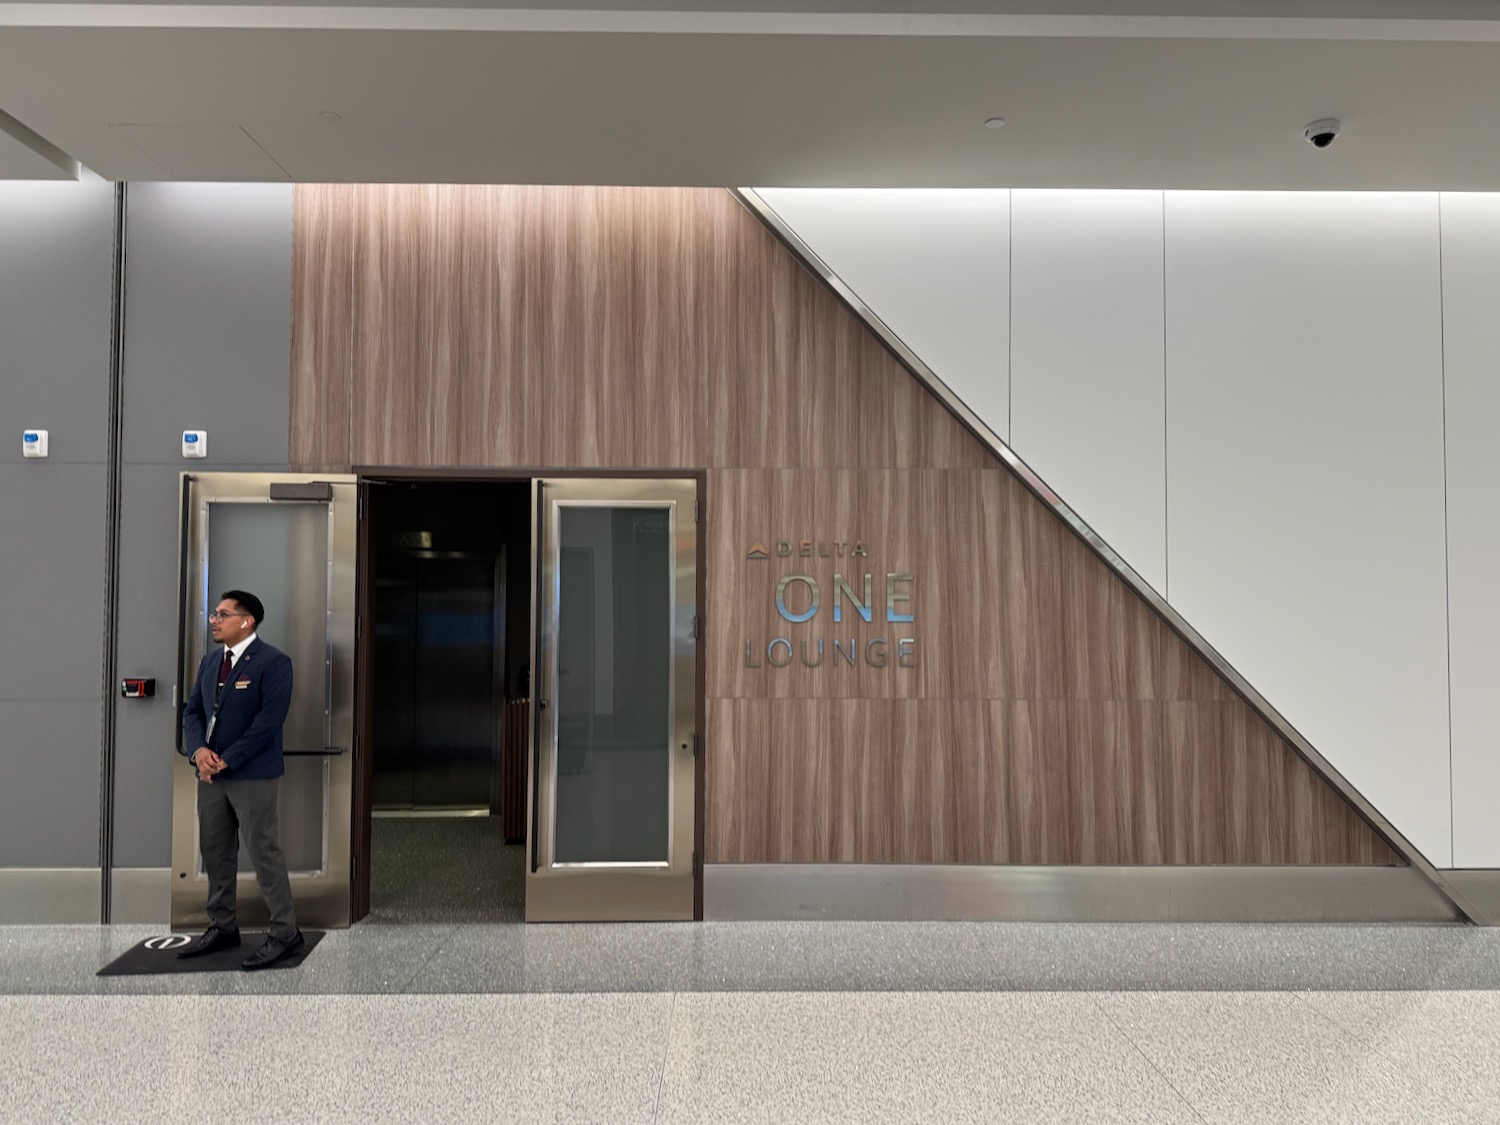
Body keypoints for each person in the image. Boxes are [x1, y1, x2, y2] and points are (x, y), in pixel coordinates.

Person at [177, 590, 305, 969]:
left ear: (246, 621)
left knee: (264, 851)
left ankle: (285, 933)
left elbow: (268, 722)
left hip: (251, 774)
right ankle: (222, 925)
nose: (214, 620)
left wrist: (226, 760)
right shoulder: (210, 662)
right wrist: (199, 751)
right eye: (214, 614)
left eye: (223, 614)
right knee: (216, 851)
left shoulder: (274, 662)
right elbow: (193, 710)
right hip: (210, 775)